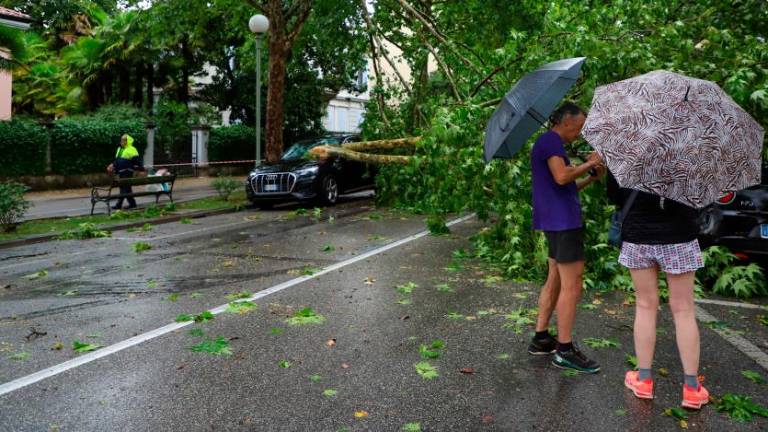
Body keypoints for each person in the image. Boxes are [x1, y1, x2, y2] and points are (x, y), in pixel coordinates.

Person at [607, 172, 709, 409]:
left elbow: (614, 196)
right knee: (683, 309)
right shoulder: (689, 151)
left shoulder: (627, 147)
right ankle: (692, 389)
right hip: (679, 235)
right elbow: (701, 197)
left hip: (638, 235)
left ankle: (643, 380)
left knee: (645, 305)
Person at [527, 102, 604, 374]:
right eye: (580, 125)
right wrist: (590, 162)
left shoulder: (549, 143)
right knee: (573, 285)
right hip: (564, 223)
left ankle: (541, 337)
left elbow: (567, 187)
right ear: (566, 121)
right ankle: (565, 349)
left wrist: (591, 177)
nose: (581, 132)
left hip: (555, 221)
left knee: (556, 279)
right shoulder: (551, 141)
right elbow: (562, 177)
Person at [106, 134, 144, 210]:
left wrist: (141, 169)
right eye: (121, 140)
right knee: (126, 188)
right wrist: (112, 165)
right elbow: (117, 160)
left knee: (124, 188)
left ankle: (119, 205)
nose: (121, 141)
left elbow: (136, 161)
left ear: (127, 141)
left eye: (123, 140)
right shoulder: (120, 149)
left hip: (127, 171)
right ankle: (132, 203)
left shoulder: (132, 149)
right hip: (120, 172)